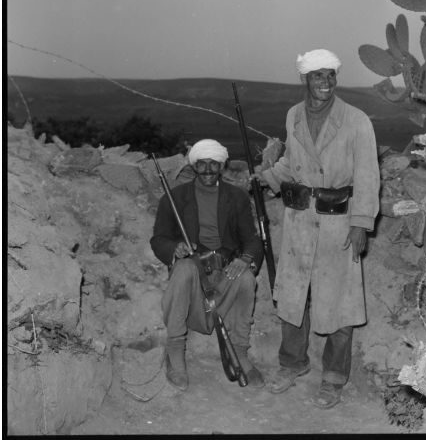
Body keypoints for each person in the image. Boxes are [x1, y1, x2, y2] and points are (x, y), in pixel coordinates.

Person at [256, 49, 380, 409]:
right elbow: (291, 163)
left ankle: (333, 378)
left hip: (337, 222)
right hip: (298, 222)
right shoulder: (294, 115)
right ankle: (292, 364)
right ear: (305, 79)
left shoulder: (357, 121)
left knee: (339, 302)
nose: (324, 82)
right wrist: (267, 177)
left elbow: (368, 177)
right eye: (317, 76)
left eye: (330, 75)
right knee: (292, 296)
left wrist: (360, 225)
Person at [150, 138, 265, 391]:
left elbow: (252, 240)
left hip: (224, 270)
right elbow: (159, 239)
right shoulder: (175, 197)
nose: (208, 171)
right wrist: (174, 249)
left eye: (214, 165)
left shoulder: (236, 197)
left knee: (245, 278)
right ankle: (175, 350)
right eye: (202, 164)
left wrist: (245, 259)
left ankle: (240, 351)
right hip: (193, 272)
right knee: (183, 269)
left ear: (222, 166)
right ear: (194, 166)